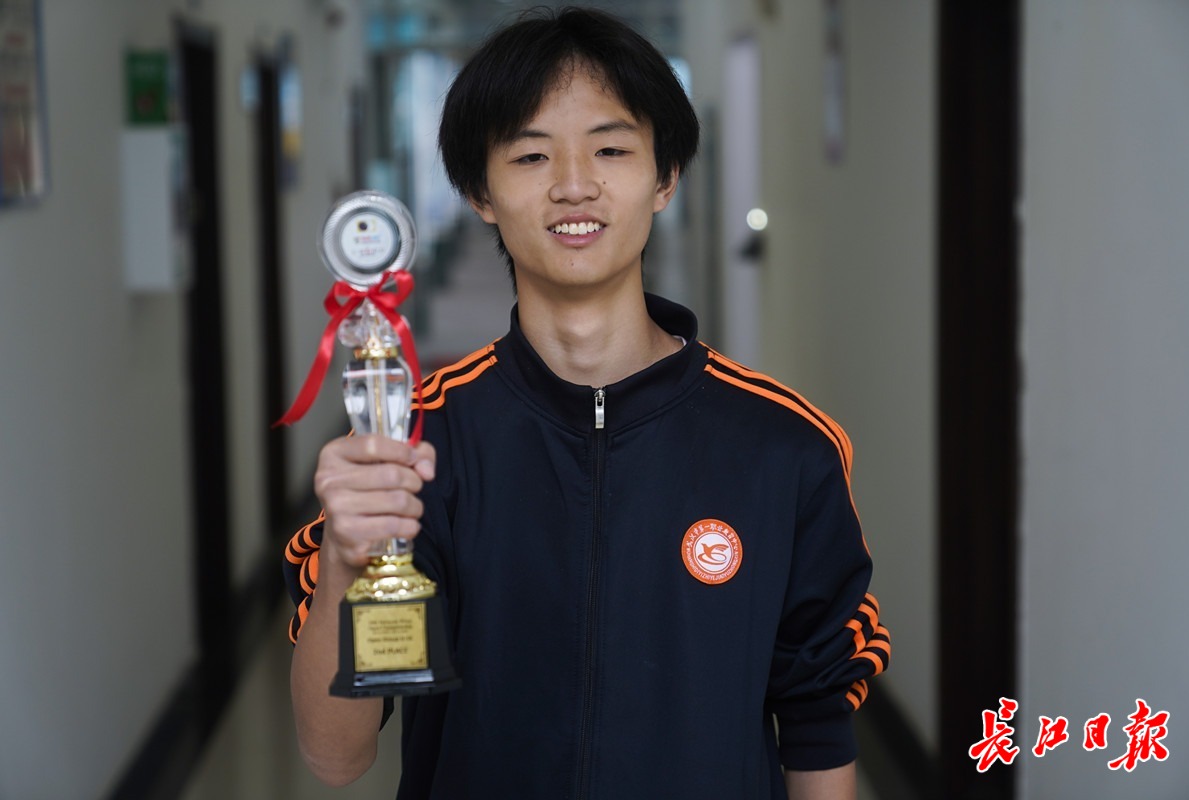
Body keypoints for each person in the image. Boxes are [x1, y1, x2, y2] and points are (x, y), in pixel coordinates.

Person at [285, 7, 890, 799]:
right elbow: (337, 759)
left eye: (610, 148)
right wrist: (345, 559)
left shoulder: (783, 446)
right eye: (531, 154)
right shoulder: (420, 446)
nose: (574, 184)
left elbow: (817, 728)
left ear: (665, 177)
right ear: (479, 192)